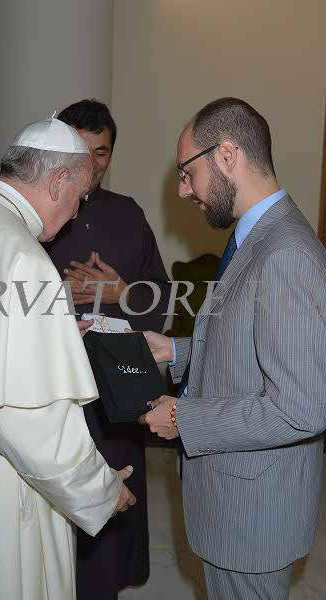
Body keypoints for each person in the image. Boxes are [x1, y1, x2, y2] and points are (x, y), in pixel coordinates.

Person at [0, 117, 136, 600]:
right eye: (79, 196)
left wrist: (51, 334)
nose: (76, 211)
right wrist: (102, 490)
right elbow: (33, 427)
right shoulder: (23, 257)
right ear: (58, 181)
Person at [140, 97, 326, 600]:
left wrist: (182, 418)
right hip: (235, 500)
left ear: (226, 155)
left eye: (187, 172)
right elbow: (250, 344)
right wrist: (176, 351)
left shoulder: (285, 253)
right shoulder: (255, 238)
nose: (182, 190)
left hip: (253, 514)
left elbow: (301, 409)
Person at [46, 99, 171, 599]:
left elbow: (161, 297)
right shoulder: (37, 212)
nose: (91, 163)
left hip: (117, 389)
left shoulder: (127, 213)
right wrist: (58, 293)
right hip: (54, 387)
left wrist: (121, 292)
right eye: (80, 150)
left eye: (101, 152)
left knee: (114, 499)